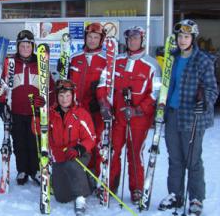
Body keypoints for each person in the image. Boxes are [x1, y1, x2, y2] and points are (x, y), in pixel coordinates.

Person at [158, 19, 218, 216]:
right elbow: (166, 85)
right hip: (173, 115)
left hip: (192, 117)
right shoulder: (172, 58)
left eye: (186, 36)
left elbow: (211, 88)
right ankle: (175, 194)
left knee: (192, 160)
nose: (182, 40)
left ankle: (196, 199)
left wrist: (205, 101)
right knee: (175, 159)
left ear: (192, 38)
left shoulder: (203, 60)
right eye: (179, 36)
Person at [97, 26, 160, 204]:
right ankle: (110, 184)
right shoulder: (115, 61)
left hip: (138, 119)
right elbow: (103, 83)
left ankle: (137, 189)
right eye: (130, 39)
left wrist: (139, 110)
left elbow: (155, 93)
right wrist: (103, 103)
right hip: (117, 117)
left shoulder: (152, 64)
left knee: (134, 154)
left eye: (136, 39)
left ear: (142, 40)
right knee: (112, 151)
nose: (133, 42)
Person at [0, 29, 55, 185]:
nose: (25, 49)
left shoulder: (41, 64)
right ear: (18, 47)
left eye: (28, 46)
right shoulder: (11, 64)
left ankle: (35, 170)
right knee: (19, 142)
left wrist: (46, 102)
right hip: (15, 110)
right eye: (22, 46)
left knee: (34, 141)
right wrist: (2, 103)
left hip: (35, 113)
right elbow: (2, 85)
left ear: (33, 47)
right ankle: (22, 170)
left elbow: (51, 89)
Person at [49, 79, 96, 215]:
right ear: (57, 97)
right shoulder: (51, 114)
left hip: (79, 153)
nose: (65, 99)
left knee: (72, 166)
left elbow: (91, 138)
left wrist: (79, 149)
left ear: (73, 96)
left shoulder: (81, 114)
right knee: (62, 197)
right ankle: (85, 181)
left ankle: (81, 198)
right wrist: (38, 113)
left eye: (68, 96)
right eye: (61, 96)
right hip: (60, 156)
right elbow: (37, 130)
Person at [68, 22, 106, 176]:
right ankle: (81, 173)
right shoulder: (75, 58)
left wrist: (102, 101)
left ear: (101, 40)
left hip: (96, 110)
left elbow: (110, 86)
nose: (92, 40)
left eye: (96, 37)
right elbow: (67, 83)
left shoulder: (107, 60)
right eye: (89, 36)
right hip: (77, 110)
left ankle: (97, 174)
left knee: (97, 142)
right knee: (78, 142)